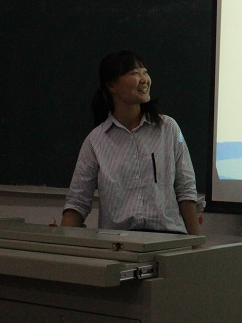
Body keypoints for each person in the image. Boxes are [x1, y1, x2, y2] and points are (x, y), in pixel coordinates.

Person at [61, 50, 199, 235]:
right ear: (112, 85)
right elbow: (77, 201)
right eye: (134, 73)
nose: (144, 79)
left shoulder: (168, 128)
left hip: (168, 240)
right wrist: (61, 241)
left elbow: (186, 189)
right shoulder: (95, 140)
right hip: (118, 243)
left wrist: (196, 242)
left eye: (145, 72)